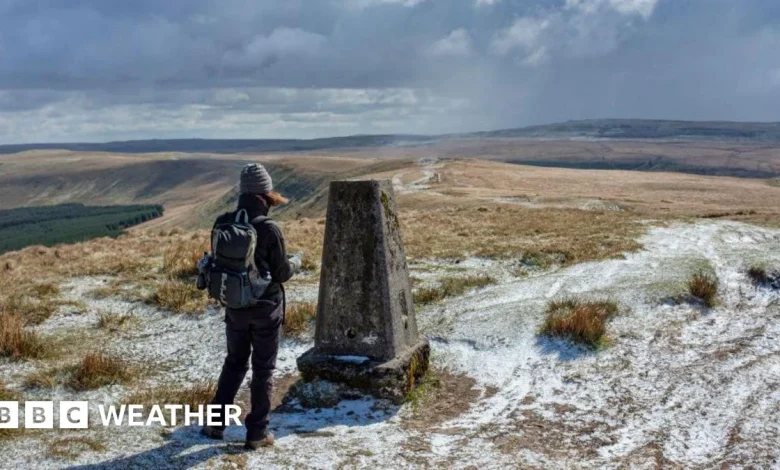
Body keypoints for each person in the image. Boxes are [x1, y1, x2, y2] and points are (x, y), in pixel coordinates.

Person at [201, 163, 301, 450]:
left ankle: (214, 423)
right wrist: (296, 261)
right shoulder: (269, 228)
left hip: (235, 306)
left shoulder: (222, 222)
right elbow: (281, 273)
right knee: (263, 370)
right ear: (264, 194)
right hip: (266, 308)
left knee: (234, 363)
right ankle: (257, 433)